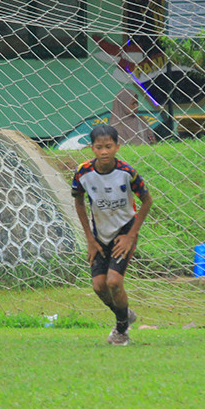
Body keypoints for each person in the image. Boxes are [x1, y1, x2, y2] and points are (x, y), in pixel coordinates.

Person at [72, 124, 153, 346]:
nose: (104, 151)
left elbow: (147, 201)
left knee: (114, 282)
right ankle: (124, 314)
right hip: (99, 235)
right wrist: (89, 238)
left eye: (109, 146)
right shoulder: (82, 172)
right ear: (92, 148)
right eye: (99, 147)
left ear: (117, 147)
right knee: (98, 286)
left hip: (124, 231)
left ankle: (121, 330)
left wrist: (131, 235)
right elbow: (78, 202)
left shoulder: (127, 172)